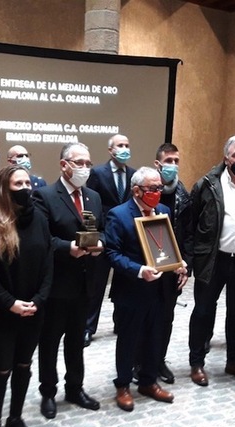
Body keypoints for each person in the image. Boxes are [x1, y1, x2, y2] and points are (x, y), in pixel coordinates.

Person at [179, 134, 235, 387]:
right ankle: (197, 363)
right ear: (226, 158)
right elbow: (193, 221)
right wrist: (192, 258)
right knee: (203, 312)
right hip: (213, 260)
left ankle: (234, 361)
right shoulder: (207, 184)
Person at [0, 165, 53, 427]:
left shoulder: (40, 219)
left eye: (26, 182)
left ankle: (15, 418)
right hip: (2, 312)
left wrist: (39, 299)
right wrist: (10, 303)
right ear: (3, 188)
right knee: (1, 369)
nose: (25, 188)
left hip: (35, 308)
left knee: (24, 365)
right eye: (17, 184)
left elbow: (48, 263)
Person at [105, 166, 187, 411]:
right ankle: (122, 385)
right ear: (137, 190)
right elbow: (112, 254)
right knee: (129, 339)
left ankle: (148, 381)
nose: (157, 193)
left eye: (160, 188)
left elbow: (166, 247)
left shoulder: (163, 211)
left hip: (161, 289)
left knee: (155, 336)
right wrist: (140, 271)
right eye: (152, 188)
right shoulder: (118, 215)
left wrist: (178, 264)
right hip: (132, 289)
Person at [32, 143, 103, 419]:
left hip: (85, 282)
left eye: (88, 163)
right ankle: (48, 392)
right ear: (64, 165)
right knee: (50, 341)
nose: (85, 168)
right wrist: (67, 247)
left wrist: (101, 244)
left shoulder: (94, 197)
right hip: (57, 284)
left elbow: (102, 231)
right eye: (79, 162)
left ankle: (75, 388)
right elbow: (43, 239)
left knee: (76, 340)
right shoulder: (45, 196)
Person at [84, 134, 137, 347]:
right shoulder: (97, 173)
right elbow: (90, 205)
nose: (124, 149)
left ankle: (120, 322)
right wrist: (93, 236)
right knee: (97, 284)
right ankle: (88, 328)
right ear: (110, 150)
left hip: (127, 237)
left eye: (127, 145)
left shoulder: (133, 174)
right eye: (120, 146)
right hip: (104, 235)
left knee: (124, 282)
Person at [155, 143, 189, 384]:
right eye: (168, 161)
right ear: (158, 164)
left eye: (176, 161)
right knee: (144, 317)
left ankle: (159, 360)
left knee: (166, 318)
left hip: (173, 267)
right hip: (147, 266)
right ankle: (138, 361)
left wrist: (186, 264)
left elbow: (187, 232)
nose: (173, 166)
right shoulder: (144, 188)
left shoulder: (182, 193)